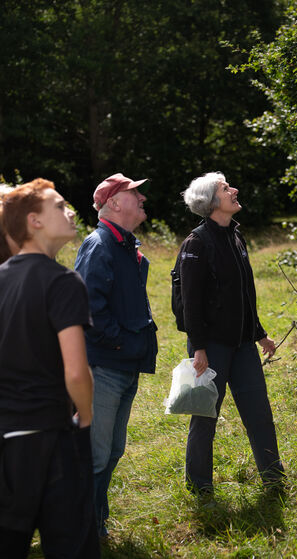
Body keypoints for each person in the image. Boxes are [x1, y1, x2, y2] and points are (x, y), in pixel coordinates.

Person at [0, 179, 99, 558]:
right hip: (51, 440)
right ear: (34, 221)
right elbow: (76, 372)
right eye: (58, 206)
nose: (69, 212)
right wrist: (87, 419)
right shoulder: (63, 280)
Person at [178, 171, 285, 496]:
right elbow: (190, 304)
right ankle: (199, 487)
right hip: (210, 348)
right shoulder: (197, 243)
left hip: (242, 346)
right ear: (211, 202)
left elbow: (244, 293)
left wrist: (259, 334)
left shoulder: (236, 237)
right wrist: (198, 348)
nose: (234, 190)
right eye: (226, 189)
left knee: (260, 414)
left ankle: (274, 481)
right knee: (205, 415)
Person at [75, 172, 158, 537]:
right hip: (105, 366)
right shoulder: (99, 244)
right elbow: (87, 308)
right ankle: (82, 529)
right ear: (113, 203)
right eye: (133, 193)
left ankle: (96, 522)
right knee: (94, 456)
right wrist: (122, 342)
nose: (142, 198)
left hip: (125, 364)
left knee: (111, 452)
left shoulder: (125, 244)